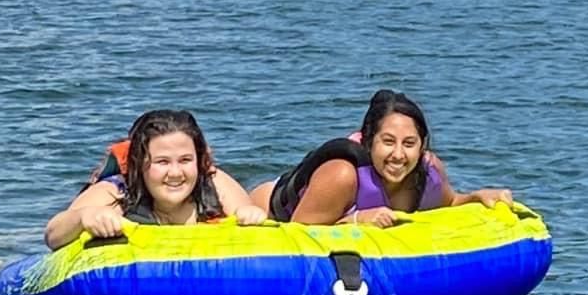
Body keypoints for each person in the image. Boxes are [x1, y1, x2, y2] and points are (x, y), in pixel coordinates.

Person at [249, 89, 512, 227]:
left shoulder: (428, 171)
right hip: (269, 211)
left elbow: (450, 202)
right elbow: (299, 231)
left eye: (409, 144)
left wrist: (477, 196)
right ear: (368, 141)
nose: (398, 155)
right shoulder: (343, 175)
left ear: (421, 146)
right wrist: (356, 220)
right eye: (388, 142)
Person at [45, 109, 266, 250]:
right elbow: (53, 236)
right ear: (140, 164)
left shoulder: (215, 184)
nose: (176, 173)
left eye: (185, 160)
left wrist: (250, 214)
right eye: (162, 162)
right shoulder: (116, 192)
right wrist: (84, 217)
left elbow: (248, 216)